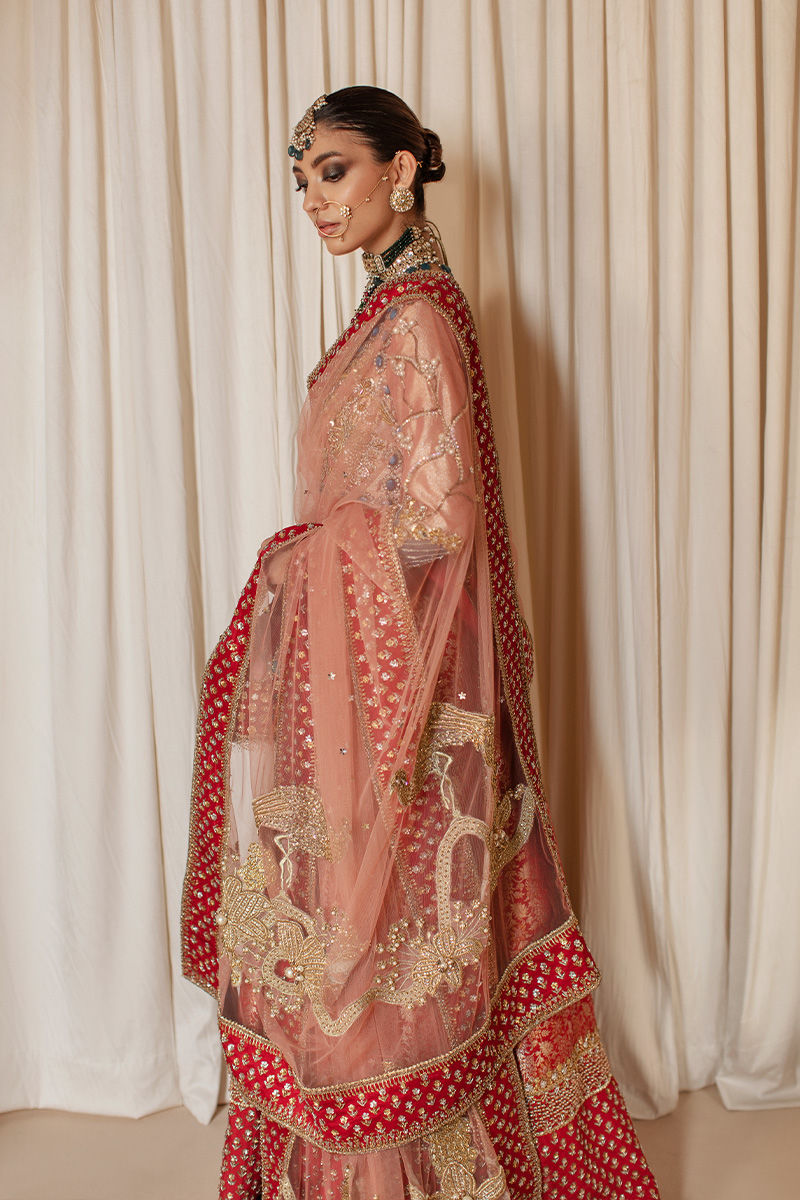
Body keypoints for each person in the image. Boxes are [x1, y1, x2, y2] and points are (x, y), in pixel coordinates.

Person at [182, 86, 660, 1200]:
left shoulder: (418, 319)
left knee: (389, 932)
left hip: (402, 677)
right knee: (360, 926)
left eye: (333, 171)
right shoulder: (388, 310)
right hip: (363, 669)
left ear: (400, 172)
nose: (314, 199)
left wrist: (302, 562)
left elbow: (438, 524)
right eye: (302, 180)